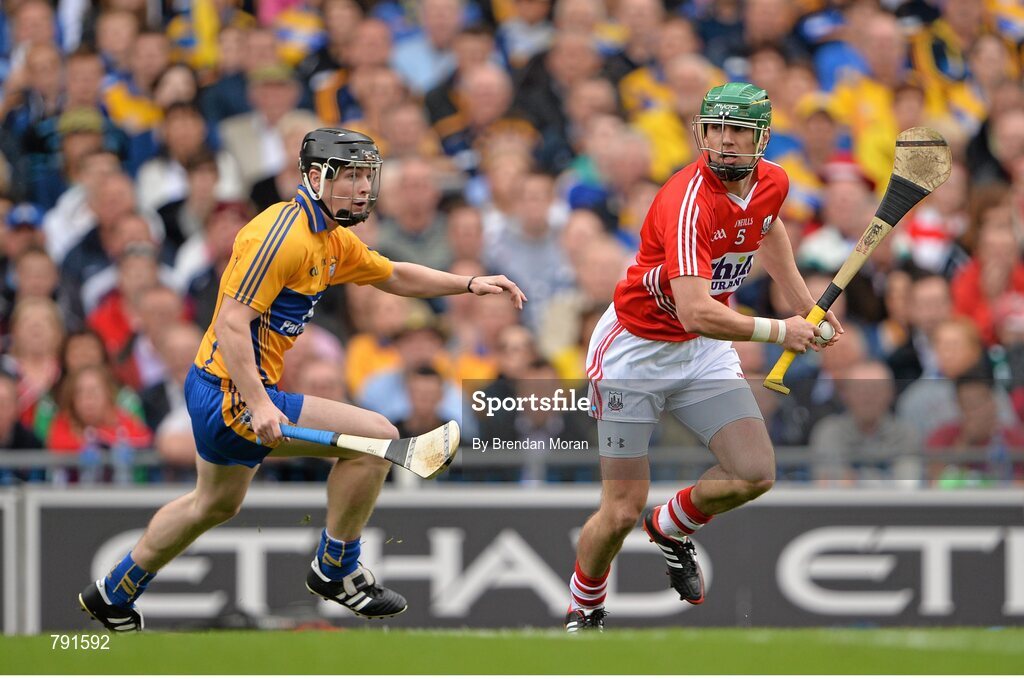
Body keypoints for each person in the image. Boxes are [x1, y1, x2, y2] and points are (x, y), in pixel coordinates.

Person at [78, 128, 526, 632]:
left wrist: (467, 284)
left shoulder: (331, 239)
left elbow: (393, 274)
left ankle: (113, 593)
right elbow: (230, 322)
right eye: (350, 176)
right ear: (315, 177)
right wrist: (260, 404)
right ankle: (335, 569)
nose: (361, 188)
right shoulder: (282, 236)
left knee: (214, 503)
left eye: (365, 177)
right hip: (233, 392)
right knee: (377, 438)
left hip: (223, 387)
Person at [564, 84, 841, 633]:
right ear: (701, 133)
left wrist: (804, 305)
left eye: (737, 129)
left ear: (762, 137)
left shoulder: (774, 182)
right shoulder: (687, 200)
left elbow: (766, 226)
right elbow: (696, 310)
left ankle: (670, 526)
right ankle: (585, 606)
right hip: (635, 354)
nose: (725, 141)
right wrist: (780, 331)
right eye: (716, 128)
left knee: (755, 473)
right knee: (620, 509)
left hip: (702, 352)